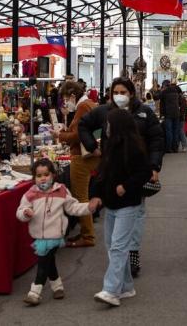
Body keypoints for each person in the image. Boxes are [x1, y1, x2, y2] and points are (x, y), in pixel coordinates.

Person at [79, 77, 163, 277]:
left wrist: (154, 166)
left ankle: (132, 252)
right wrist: (92, 147)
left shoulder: (144, 112)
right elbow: (83, 125)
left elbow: (156, 139)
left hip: (136, 171)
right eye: (115, 92)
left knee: (137, 211)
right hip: (112, 171)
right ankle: (119, 257)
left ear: (131, 93)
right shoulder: (103, 111)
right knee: (114, 211)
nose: (119, 96)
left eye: (123, 92)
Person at [88, 109, 153, 307]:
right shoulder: (110, 147)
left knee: (117, 246)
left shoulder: (134, 148)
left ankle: (111, 290)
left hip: (128, 204)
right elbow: (101, 173)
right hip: (111, 204)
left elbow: (145, 172)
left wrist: (126, 186)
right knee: (112, 245)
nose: (106, 128)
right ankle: (125, 286)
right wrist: (96, 196)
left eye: (108, 124)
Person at [16, 158, 93, 306]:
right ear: (34, 178)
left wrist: (88, 207)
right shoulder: (30, 194)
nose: (43, 178)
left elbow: (73, 207)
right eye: (39, 175)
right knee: (48, 261)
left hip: (56, 235)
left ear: (53, 175)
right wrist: (25, 213)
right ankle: (57, 287)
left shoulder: (61, 191)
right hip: (39, 236)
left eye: (46, 174)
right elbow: (19, 212)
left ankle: (35, 292)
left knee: (43, 261)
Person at [56, 80, 99, 248]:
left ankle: (87, 236)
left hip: (81, 157)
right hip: (87, 155)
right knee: (82, 194)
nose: (65, 102)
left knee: (80, 197)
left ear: (73, 96)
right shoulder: (89, 104)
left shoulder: (82, 107)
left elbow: (77, 135)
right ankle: (85, 233)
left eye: (66, 98)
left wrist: (60, 135)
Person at [157, 81, 183, 152]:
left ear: (164, 86)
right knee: (175, 131)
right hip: (177, 113)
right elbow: (180, 101)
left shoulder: (164, 92)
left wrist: (159, 90)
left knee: (169, 131)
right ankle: (175, 148)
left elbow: (157, 98)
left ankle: (169, 148)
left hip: (168, 114)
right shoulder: (175, 90)